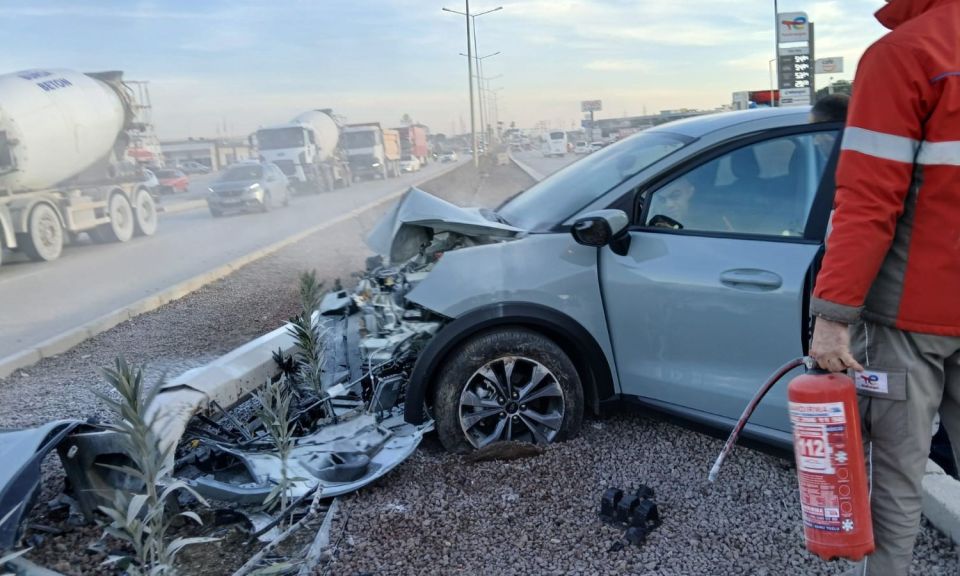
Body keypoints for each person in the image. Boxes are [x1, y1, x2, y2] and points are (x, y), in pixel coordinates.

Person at [808, 1, 960, 575]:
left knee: (896, 478)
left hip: (909, 319)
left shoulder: (906, 54)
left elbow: (869, 202)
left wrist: (832, 316)